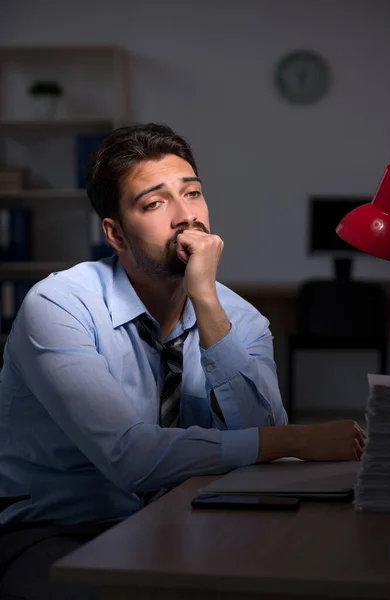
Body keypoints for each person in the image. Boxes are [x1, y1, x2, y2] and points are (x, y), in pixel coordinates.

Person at [0, 123, 366, 599]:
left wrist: (206, 301)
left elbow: (259, 438)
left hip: (188, 519)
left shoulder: (238, 318)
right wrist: (293, 438)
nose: (184, 216)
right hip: (58, 528)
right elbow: (132, 459)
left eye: (192, 193)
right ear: (115, 233)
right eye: (154, 203)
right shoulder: (57, 306)